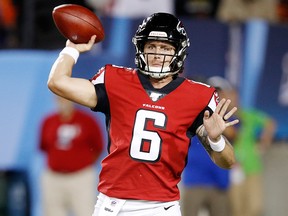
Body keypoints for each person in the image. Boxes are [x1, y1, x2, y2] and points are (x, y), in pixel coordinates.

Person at [47, 12, 239, 216]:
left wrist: (216, 139)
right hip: (112, 204)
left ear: (179, 52)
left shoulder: (198, 95)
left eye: (165, 48)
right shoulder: (116, 80)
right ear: (141, 48)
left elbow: (227, 162)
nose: (157, 54)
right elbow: (57, 82)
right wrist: (71, 50)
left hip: (161, 207)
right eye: (151, 46)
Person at [181, 76, 238, 216]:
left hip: (219, 182)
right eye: (213, 91)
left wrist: (217, 126)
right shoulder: (193, 113)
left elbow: (233, 135)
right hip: (194, 180)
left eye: (219, 92)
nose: (216, 95)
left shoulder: (228, 117)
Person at [39, 96, 104, 216]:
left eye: (65, 98)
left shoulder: (87, 120)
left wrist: (81, 164)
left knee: (85, 211)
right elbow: (43, 147)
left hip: (80, 177)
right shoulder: (48, 121)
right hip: (54, 177)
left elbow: (98, 147)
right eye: (59, 98)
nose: (62, 101)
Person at [227, 92, 276, 216]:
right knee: (236, 208)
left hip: (252, 167)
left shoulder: (248, 115)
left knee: (255, 207)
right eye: (228, 98)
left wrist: (264, 142)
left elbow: (270, 123)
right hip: (233, 170)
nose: (232, 101)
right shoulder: (223, 119)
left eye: (234, 97)